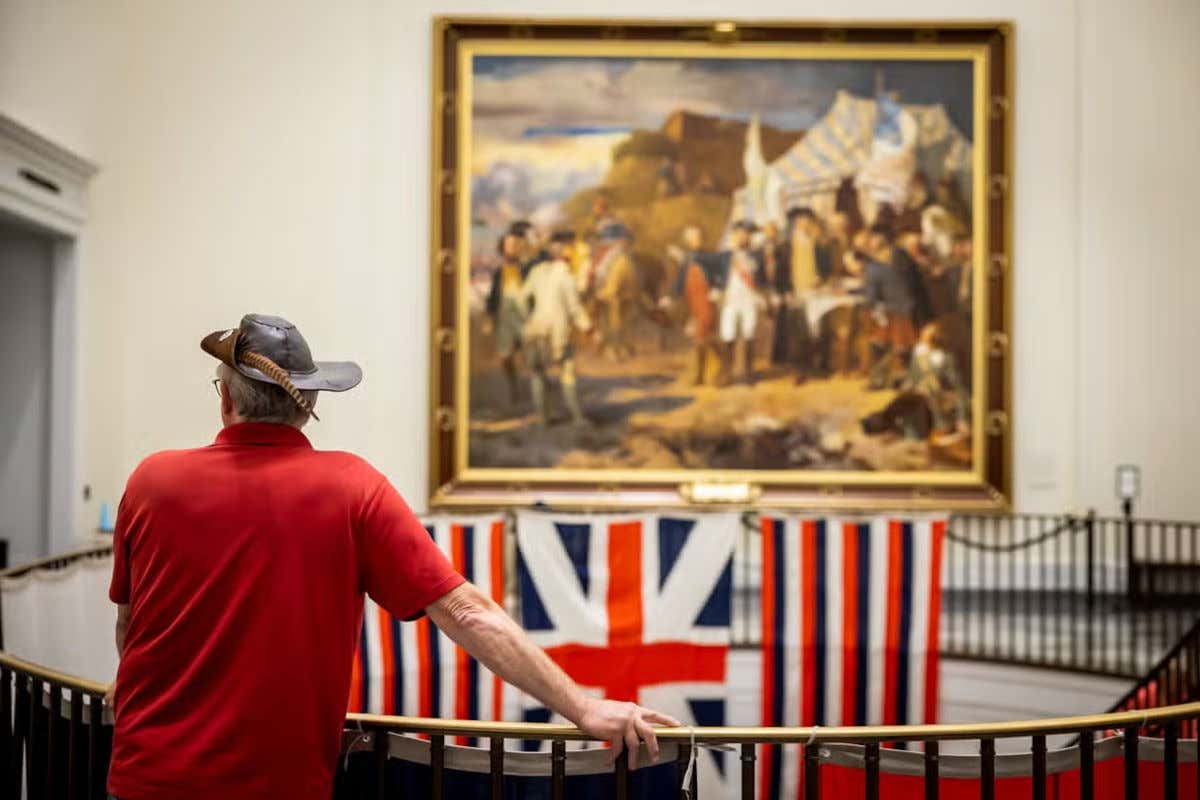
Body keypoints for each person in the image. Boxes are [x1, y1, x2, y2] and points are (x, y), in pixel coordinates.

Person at [105, 314, 678, 800]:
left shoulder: (152, 480)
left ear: (226, 399)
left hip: (142, 777)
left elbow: (132, 623)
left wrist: (130, 683)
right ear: (308, 406)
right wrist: (583, 709)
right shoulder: (352, 488)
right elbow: (467, 613)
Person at [520, 230, 592, 425]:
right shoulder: (566, 276)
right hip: (557, 332)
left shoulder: (536, 272)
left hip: (536, 329)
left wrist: (528, 319)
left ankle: (543, 419)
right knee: (567, 372)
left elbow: (522, 298)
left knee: (538, 374)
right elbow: (574, 307)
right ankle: (576, 417)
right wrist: (587, 326)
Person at [863, 224, 920, 389]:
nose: (870, 241)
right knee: (880, 344)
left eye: (873, 238)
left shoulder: (896, 258)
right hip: (892, 309)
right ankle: (882, 378)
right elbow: (873, 292)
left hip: (901, 309)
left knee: (898, 346)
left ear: (882, 238)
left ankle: (898, 378)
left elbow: (912, 283)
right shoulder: (877, 263)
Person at [662, 225, 719, 385]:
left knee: (702, 336)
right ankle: (703, 373)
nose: (696, 241)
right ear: (688, 241)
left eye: (698, 238)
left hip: (706, 300)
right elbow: (680, 281)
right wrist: (670, 296)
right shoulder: (687, 258)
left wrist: (716, 290)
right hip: (693, 301)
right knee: (701, 337)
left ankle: (711, 370)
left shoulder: (709, 256)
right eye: (693, 239)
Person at [710, 219, 763, 386]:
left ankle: (748, 373)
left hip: (749, 298)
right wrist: (718, 290)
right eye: (739, 234)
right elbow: (716, 275)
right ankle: (726, 373)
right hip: (730, 299)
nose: (742, 238)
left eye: (746, 235)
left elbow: (762, 278)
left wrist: (764, 292)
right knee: (728, 333)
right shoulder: (725, 256)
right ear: (734, 236)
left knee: (749, 333)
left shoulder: (757, 255)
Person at [485, 231, 529, 405]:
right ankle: (513, 388)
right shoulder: (498, 272)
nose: (513, 248)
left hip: (525, 317)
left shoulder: (526, 269)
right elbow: (493, 296)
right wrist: (490, 317)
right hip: (505, 319)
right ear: (502, 248)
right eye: (509, 245)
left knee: (531, 355)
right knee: (505, 357)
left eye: (516, 245)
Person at [586, 222, 639, 361]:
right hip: (624, 292)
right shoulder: (621, 255)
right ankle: (620, 347)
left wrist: (599, 292)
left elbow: (601, 277)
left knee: (613, 321)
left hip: (612, 294)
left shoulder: (610, 256)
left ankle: (615, 348)